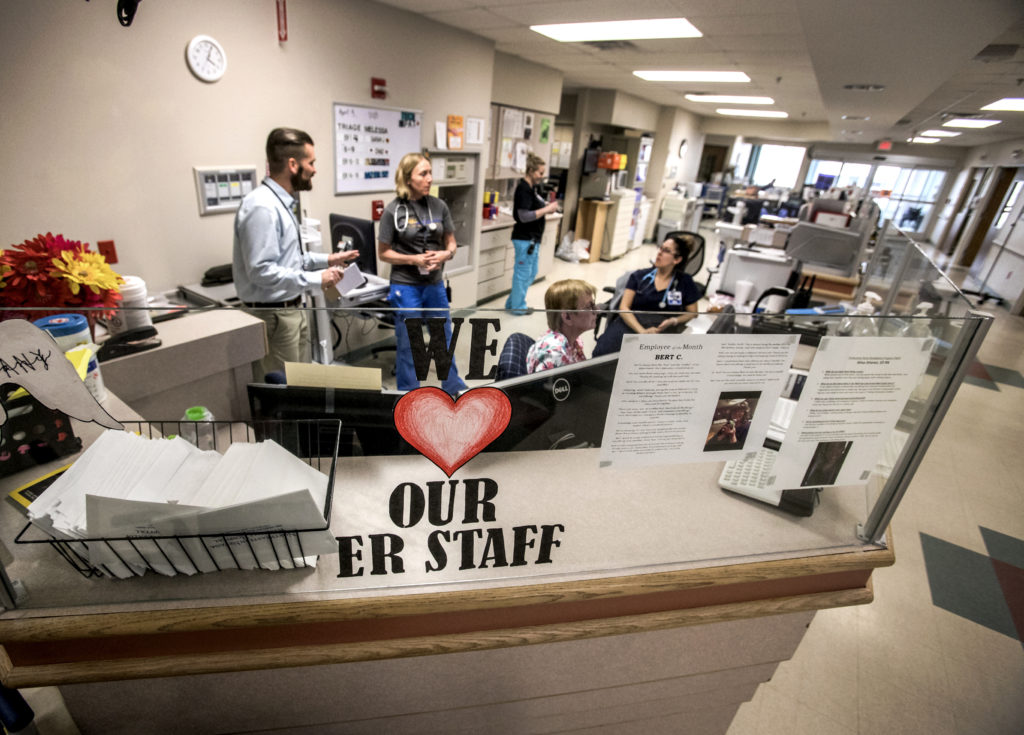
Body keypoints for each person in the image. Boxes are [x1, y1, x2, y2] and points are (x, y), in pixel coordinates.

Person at [233, 127, 359, 378]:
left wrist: (328, 259)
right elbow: (262, 271)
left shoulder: (282, 203)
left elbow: (289, 260)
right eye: (311, 162)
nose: (314, 169)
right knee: (282, 390)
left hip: (292, 310)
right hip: (274, 316)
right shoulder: (262, 207)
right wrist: (318, 278)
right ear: (293, 164)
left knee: (300, 384)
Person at [377, 152, 467, 395]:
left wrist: (444, 255)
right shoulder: (393, 211)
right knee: (410, 342)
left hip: (434, 284)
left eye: (430, 173)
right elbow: (383, 253)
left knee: (443, 337)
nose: (429, 179)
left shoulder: (439, 206)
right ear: (407, 179)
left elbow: (451, 243)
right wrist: (413, 259)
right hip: (405, 285)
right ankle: (410, 392)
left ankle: (454, 387)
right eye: (423, 174)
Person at [593, 233, 702, 356]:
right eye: (660, 248)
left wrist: (674, 320)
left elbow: (693, 313)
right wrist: (642, 332)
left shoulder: (684, 282)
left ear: (677, 259)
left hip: (660, 329)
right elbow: (624, 308)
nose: (659, 253)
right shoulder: (639, 276)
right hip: (631, 323)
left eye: (666, 251)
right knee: (602, 353)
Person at [506, 153, 559, 314]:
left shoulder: (532, 188)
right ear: (530, 171)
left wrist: (545, 207)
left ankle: (512, 303)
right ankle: (518, 307)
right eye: (540, 173)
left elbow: (533, 209)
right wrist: (547, 209)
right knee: (522, 274)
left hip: (532, 238)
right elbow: (523, 216)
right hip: (524, 239)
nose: (541, 177)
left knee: (531, 272)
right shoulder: (523, 189)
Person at [526, 279, 597, 374]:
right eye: (589, 306)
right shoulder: (555, 356)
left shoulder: (571, 341)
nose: (597, 310)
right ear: (567, 317)